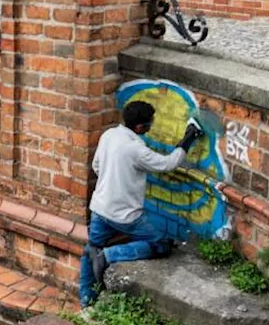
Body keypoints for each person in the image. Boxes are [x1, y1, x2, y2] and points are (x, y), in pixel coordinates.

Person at [79, 101, 204, 308]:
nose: (151, 126)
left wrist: (113, 181)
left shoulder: (108, 135)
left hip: (100, 209)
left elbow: (96, 166)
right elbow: (168, 163)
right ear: (139, 127)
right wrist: (188, 136)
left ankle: (86, 300)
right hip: (127, 217)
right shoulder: (136, 149)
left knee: (91, 248)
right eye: (149, 123)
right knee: (161, 244)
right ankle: (110, 255)